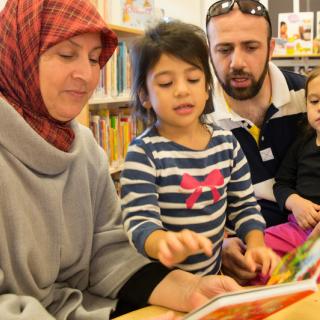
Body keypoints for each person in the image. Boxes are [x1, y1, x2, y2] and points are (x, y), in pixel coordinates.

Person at [0, 0, 243, 319]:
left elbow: (107, 251)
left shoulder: (85, 147)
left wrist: (189, 289)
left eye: (93, 58)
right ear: (21, 53)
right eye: (66, 54)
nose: (86, 74)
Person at [120, 20, 278, 278]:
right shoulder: (144, 153)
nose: (182, 91)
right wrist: (162, 243)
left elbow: (244, 205)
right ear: (145, 96)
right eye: (166, 83)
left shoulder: (226, 144)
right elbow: (139, 221)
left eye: (193, 79)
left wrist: (256, 244)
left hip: (212, 281)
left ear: (207, 89)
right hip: (164, 284)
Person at [205, 0, 306, 283]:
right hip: (238, 275)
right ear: (208, 52)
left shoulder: (309, 98)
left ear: (271, 49)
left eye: (251, 47)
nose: (237, 63)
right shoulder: (195, 120)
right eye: (224, 50)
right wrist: (219, 247)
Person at [264, 67, 320, 257]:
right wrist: (295, 203)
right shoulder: (302, 143)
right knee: (260, 251)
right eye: (314, 101)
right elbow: (281, 184)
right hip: (299, 228)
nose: (319, 107)